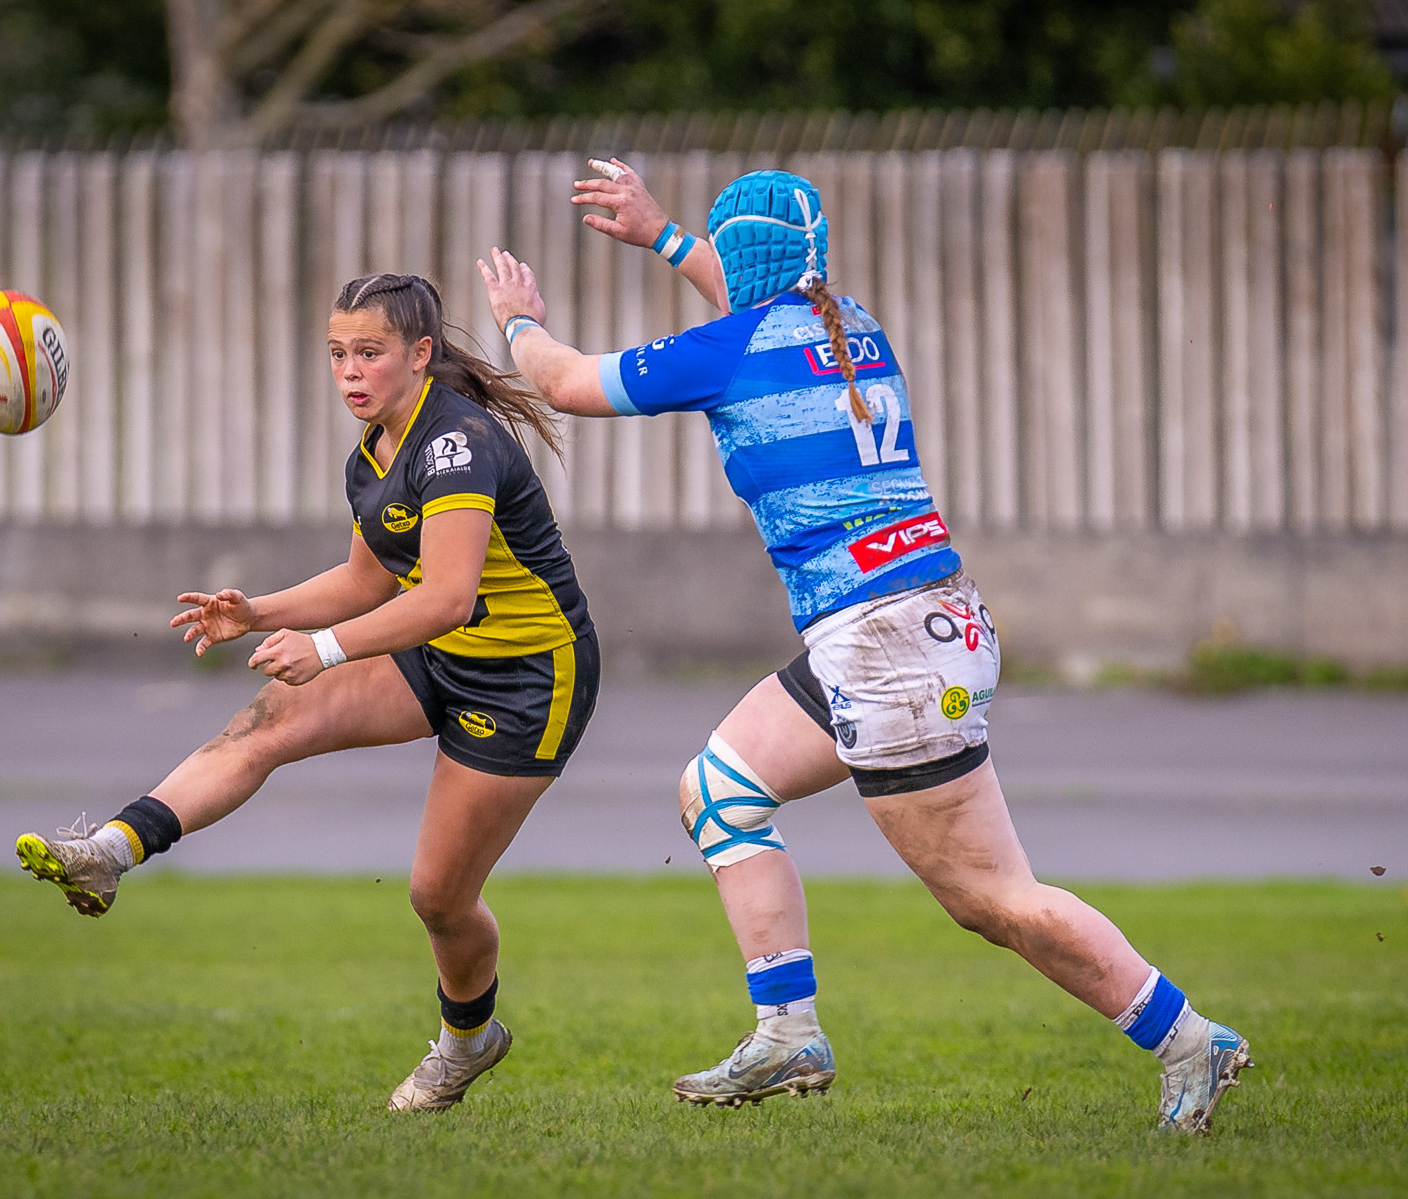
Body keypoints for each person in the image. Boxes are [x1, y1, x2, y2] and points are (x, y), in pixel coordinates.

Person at [474, 162, 1251, 1132]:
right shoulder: (851, 324)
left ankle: (1188, 1037)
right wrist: (666, 235)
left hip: (885, 647)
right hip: (914, 624)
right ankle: (788, 1030)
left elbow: (558, 380)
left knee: (991, 897)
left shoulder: (726, 350)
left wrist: (516, 315)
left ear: (744, 258)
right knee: (719, 787)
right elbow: (745, 296)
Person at [14, 272, 599, 1114]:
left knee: (437, 895)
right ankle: (108, 852)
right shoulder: (372, 456)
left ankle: (468, 1040)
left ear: (421, 354)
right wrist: (257, 613)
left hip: (529, 679)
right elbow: (369, 581)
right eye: (337, 354)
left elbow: (447, 597)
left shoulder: (458, 443)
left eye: (369, 352)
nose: (350, 372)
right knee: (264, 722)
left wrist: (321, 649)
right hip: (436, 651)